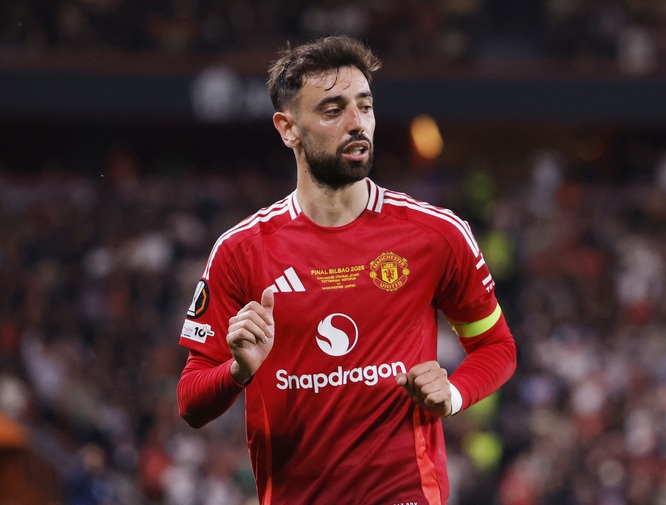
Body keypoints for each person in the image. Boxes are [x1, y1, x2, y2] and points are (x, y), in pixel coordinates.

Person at [176, 35, 517, 505]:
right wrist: (238, 370)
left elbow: (496, 347)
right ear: (288, 129)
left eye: (365, 106)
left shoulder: (435, 235)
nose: (357, 123)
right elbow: (190, 401)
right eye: (333, 110)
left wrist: (454, 395)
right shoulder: (241, 251)